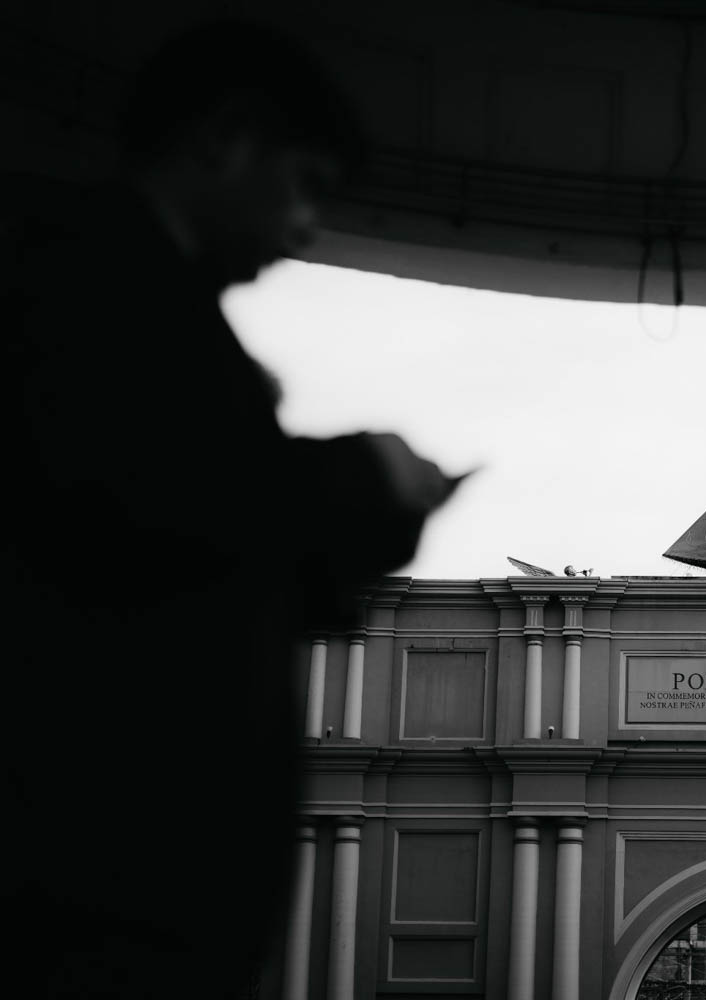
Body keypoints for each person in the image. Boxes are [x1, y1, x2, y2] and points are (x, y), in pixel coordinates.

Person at [2, 21, 459, 999]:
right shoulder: (79, 280)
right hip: (90, 896)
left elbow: (198, 546)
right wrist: (363, 481)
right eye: (303, 185)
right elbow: (151, 502)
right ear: (226, 140)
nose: (304, 229)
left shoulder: (121, 290)